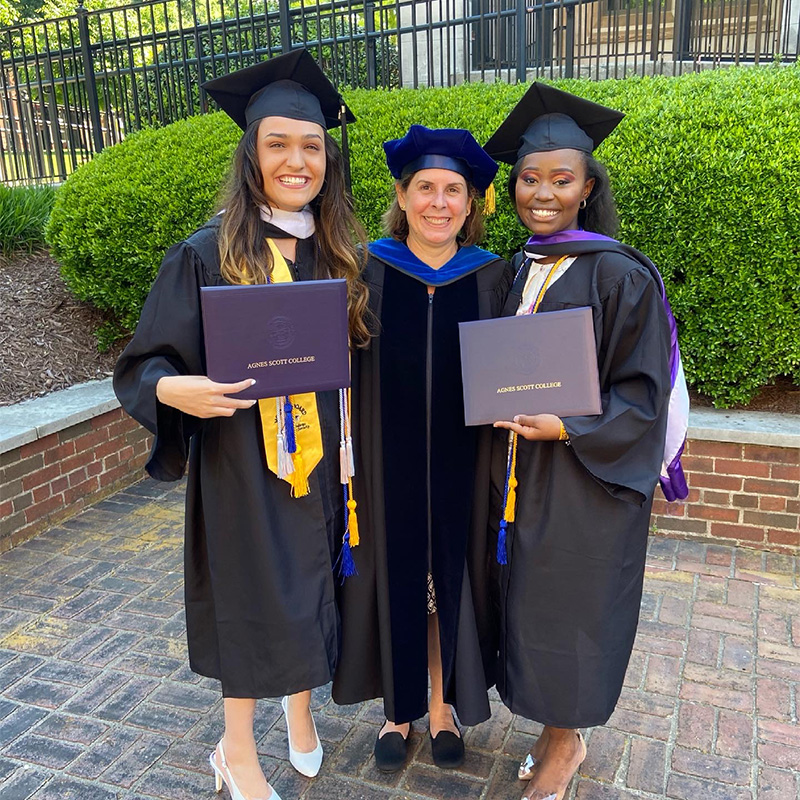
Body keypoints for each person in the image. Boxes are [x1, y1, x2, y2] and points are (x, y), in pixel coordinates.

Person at [113, 50, 371, 800]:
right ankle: (235, 751)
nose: (297, 160)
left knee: (314, 584)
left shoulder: (338, 254)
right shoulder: (205, 254)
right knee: (255, 598)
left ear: (328, 156)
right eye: (278, 144)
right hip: (242, 470)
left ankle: (299, 716)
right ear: (251, 154)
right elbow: (143, 366)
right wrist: (176, 391)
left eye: (312, 145)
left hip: (325, 464)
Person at [482, 83, 688, 800]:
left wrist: (568, 425)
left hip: (584, 482)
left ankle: (566, 747)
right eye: (530, 179)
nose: (542, 193)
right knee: (532, 603)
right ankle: (552, 728)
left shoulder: (620, 273)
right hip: (523, 473)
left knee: (572, 609)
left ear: (587, 186)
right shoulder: (520, 267)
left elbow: (642, 394)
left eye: (560, 179)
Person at [332, 126, 512, 772]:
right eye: (426, 188)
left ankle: (439, 705)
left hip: (465, 459)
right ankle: (396, 710)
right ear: (402, 196)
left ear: (472, 203)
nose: (440, 202)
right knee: (396, 575)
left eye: (454, 191)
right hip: (388, 462)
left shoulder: (491, 279)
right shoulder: (367, 269)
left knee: (447, 579)